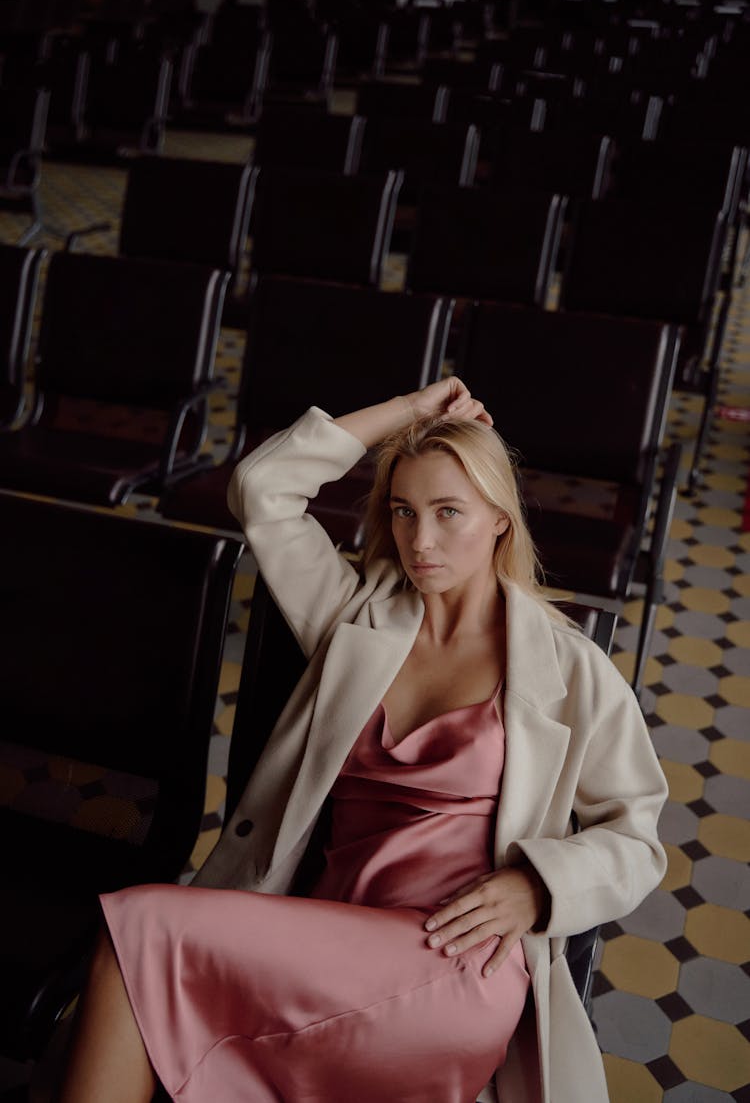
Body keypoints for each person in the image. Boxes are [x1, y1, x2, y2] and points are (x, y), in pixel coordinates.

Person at [57, 378, 668, 1103]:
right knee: (130, 952)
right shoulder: (354, 619)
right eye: (404, 512)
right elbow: (261, 486)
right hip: (328, 927)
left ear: (501, 519)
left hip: (455, 952)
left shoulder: (569, 668)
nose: (421, 540)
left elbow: (637, 835)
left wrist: (540, 884)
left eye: (449, 512)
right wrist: (410, 413)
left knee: (138, 932)